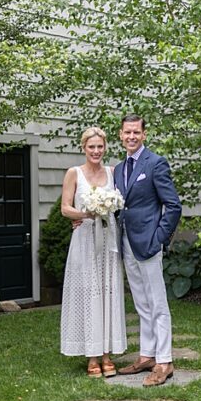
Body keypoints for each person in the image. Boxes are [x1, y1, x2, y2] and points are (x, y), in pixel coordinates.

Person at [113, 114, 182, 386]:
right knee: (141, 303)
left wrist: (159, 238)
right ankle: (147, 355)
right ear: (121, 135)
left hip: (149, 243)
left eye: (136, 132)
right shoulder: (119, 169)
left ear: (144, 134)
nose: (131, 136)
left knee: (158, 304)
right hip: (127, 242)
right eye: (127, 132)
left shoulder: (155, 163)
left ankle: (164, 361)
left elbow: (173, 205)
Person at [59, 127, 127, 377]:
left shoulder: (112, 172)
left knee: (107, 292)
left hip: (108, 240)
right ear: (83, 148)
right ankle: (91, 356)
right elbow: (65, 208)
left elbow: (120, 202)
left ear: (105, 147)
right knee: (89, 294)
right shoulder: (73, 174)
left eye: (100, 147)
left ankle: (107, 355)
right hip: (85, 240)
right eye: (91, 147)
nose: (96, 151)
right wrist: (86, 213)